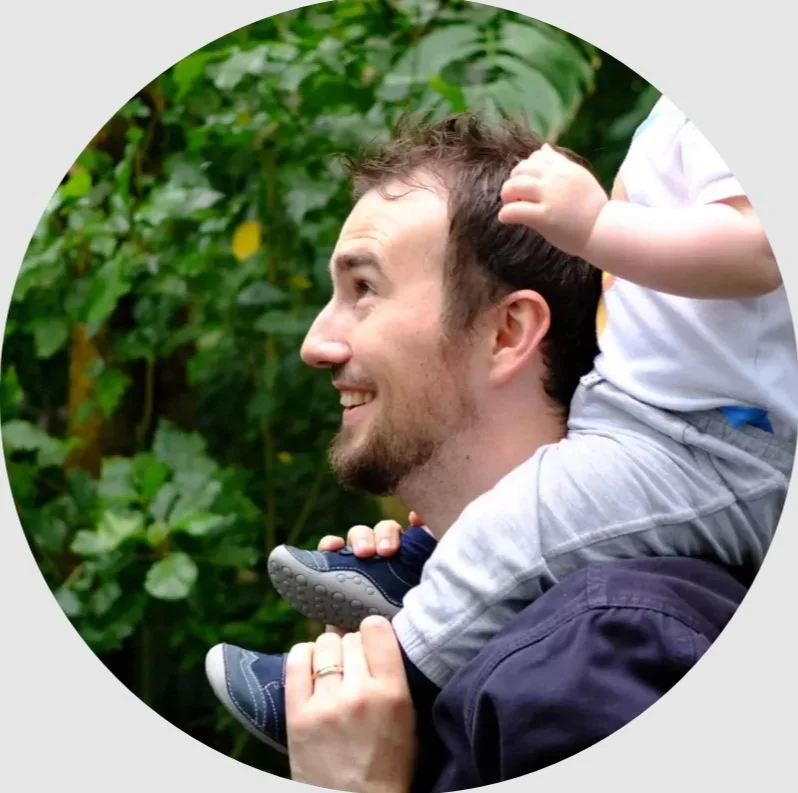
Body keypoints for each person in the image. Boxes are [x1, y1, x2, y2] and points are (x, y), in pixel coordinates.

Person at [204, 103, 795, 754]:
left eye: (365, 289)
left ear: (509, 331)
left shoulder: (597, 647)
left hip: (719, 444)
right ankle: (428, 587)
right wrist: (448, 550)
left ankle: (386, 667)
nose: (314, 344)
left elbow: (764, 244)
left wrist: (357, 772)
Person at [284, 556, 750, 792]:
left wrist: (354, 784)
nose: (314, 360)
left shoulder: (588, 649)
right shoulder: (587, 631)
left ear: (502, 359)